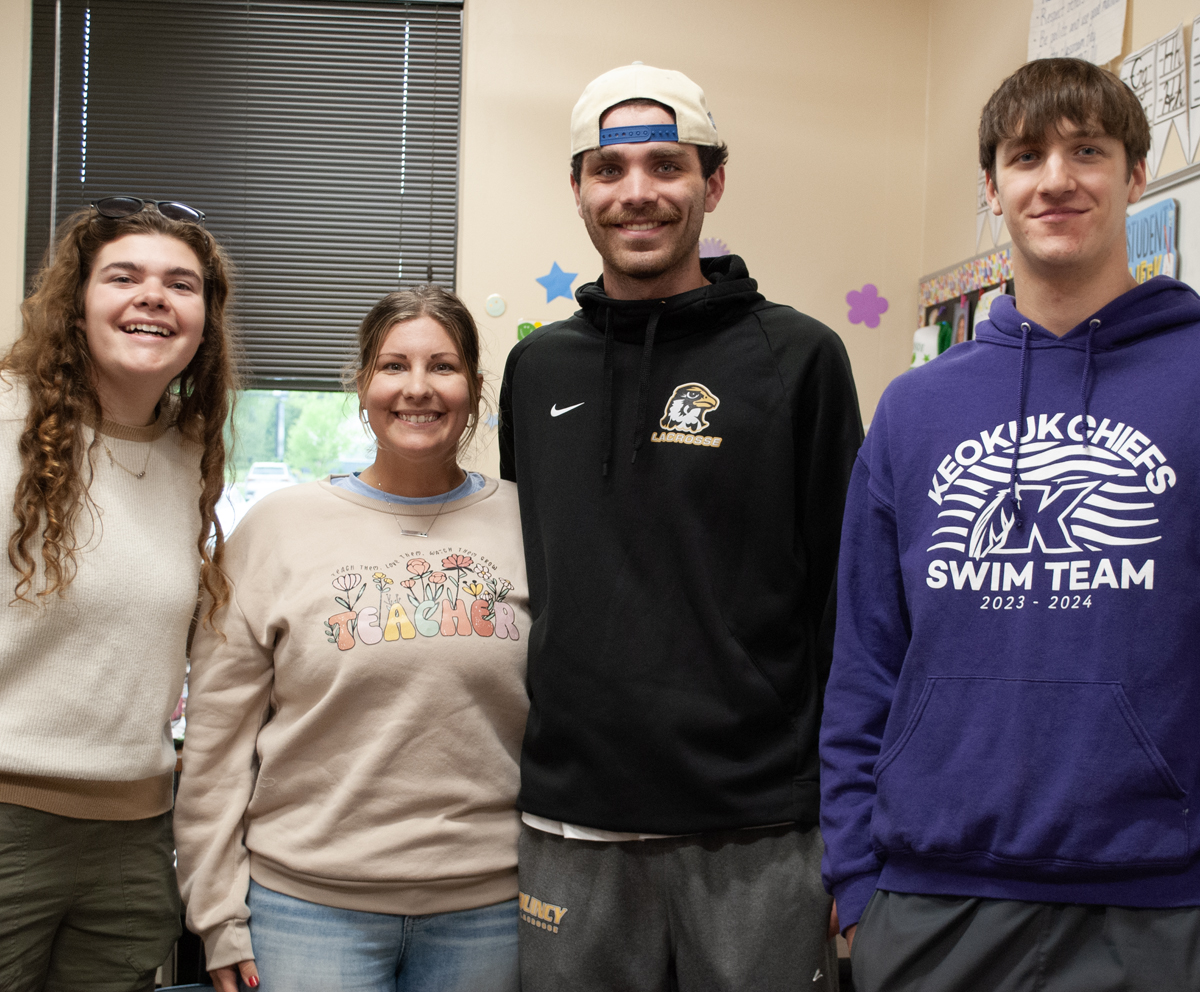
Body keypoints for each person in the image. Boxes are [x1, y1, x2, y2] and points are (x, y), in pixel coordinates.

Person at [820, 58, 1200, 992]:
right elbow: (866, 662)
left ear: (1136, 176)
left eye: (1088, 151)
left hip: (1160, 905)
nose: (1057, 178)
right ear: (992, 190)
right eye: (1026, 156)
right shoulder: (914, 410)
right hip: (932, 904)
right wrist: (859, 884)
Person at [498, 63, 862, 991]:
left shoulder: (801, 359)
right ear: (577, 188)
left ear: (713, 181)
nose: (637, 192)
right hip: (573, 821)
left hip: (758, 827)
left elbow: (847, 605)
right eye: (608, 168)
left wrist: (848, 824)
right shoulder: (536, 371)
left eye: (666, 164)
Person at [175, 285, 530, 992]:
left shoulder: (530, 524)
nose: (418, 388)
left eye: (444, 366)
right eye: (394, 365)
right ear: (361, 383)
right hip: (306, 909)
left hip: (490, 909)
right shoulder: (278, 528)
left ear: (475, 387)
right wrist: (216, 913)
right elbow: (216, 744)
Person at [0, 196, 236, 991]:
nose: (153, 297)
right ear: (77, 302)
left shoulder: (189, 455)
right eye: (124, 276)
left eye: (181, 283)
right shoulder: (5, 420)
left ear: (204, 319)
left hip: (135, 838)